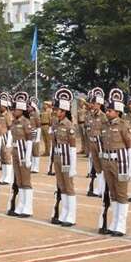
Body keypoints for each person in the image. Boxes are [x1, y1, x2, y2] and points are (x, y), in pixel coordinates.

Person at [98, 89, 131, 237]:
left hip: (120, 162)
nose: (107, 112)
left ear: (118, 112)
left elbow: (130, 146)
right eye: (107, 110)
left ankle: (121, 224)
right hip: (107, 161)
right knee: (113, 193)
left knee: (121, 193)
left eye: (110, 110)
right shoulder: (105, 126)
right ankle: (114, 222)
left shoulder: (124, 125)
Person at [51, 89, 78, 226]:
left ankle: (71, 216)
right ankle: (64, 213)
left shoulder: (69, 125)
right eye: (57, 110)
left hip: (67, 157)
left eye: (60, 110)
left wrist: (73, 166)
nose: (57, 112)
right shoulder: (55, 123)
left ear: (65, 111)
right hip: (57, 156)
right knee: (61, 186)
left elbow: (73, 147)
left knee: (69, 186)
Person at [7, 92, 36, 218]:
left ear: (22, 109)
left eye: (16, 109)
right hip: (16, 152)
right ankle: (20, 205)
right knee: (19, 181)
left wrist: (28, 157)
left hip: (24, 153)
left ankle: (27, 207)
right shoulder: (14, 122)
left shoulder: (26, 122)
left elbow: (30, 139)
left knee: (26, 181)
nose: (13, 111)